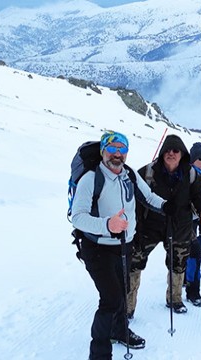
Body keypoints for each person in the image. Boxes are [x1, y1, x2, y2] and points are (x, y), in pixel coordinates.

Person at [70, 131, 175, 360]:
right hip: (97, 248)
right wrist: (108, 224)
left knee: (122, 290)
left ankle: (119, 331)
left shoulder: (129, 175)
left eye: (122, 149)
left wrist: (167, 206)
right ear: (103, 151)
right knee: (110, 299)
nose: (117, 154)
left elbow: (148, 197)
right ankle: (99, 354)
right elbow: (77, 216)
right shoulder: (91, 178)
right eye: (113, 148)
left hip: (124, 246)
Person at [128, 135, 201, 317]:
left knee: (178, 264)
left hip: (180, 226)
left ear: (182, 154)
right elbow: (133, 198)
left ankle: (175, 299)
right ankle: (127, 307)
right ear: (162, 152)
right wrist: (133, 226)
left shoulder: (191, 174)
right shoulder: (147, 172)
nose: (171, 154)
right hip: (149, 226)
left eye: (176, 150)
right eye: (167, 150)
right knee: (134, 263)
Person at [184, 142, 201, 306]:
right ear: (193, 159)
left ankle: (190, 286)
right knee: (193, 254)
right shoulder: (186, 175)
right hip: (183, 223)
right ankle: (192, 291)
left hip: (196, 222)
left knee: (194, 253)